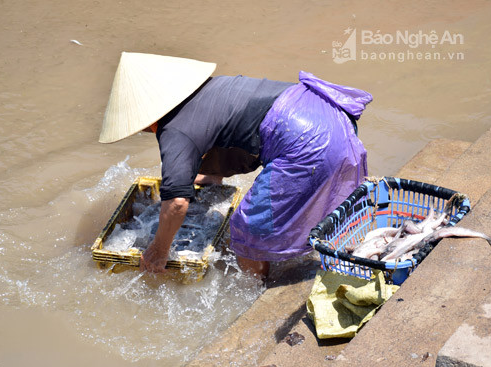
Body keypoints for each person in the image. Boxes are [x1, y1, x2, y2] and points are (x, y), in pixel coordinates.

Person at [99, 52, 372, 278]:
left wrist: (158, 250)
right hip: (331, 115)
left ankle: (259, 290)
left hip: (309, 143)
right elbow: (235, 136)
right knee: (314, 213)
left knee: (246, 229)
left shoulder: (174, 131)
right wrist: (208, 177)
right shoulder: (211, 89)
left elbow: (177, 204)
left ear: (145, 120)